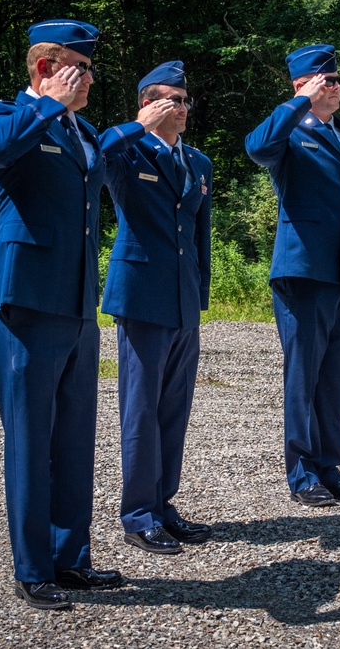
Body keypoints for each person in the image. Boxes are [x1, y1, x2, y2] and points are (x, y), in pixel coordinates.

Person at [0, 18, 171, 610]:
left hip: (77, 302)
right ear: (45, 67)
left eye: (88, 69)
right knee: (31, 438)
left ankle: (72, 559)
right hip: (28, 299)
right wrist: (48, 105)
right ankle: (33, 569)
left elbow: (103, 150)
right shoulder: (5, 115)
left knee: (75, 438)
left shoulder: (80, 129)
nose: (90, 78)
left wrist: (137, 124)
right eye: (80, 68)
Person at [245, 44, 340, 507]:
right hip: (304, 273)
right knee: (303, 377)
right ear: (301, 86)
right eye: (326, 80)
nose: (335, 87)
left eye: (338, 80)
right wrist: (298, 103)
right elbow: (256, 146)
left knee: (334, 377)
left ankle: (328, 466)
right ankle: (301, 474)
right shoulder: (290, 133)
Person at [100, 61, 213, 554]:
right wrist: (137, 127)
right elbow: (94, 154)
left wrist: (199, 295)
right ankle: (138, 513)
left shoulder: (199, 162)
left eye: (185, 99)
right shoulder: (126, 151)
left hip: (183, 298)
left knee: (173, 409)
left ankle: (164, 504)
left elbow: (200, 236)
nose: (181, 107)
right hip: (142, 296)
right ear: (146, 103)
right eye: (170, 98)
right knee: (141, 411)